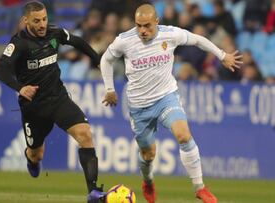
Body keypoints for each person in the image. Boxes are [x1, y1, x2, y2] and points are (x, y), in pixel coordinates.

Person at [100, 4, 242, 203]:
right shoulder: (124, 40)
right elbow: (106, 59)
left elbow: (198, 40)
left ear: (156, 21)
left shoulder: (171, 34)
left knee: (183, 135)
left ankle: (200, 187)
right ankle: (148, 181)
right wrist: (109, 88)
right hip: (139, 106)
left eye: (147, 25)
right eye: (139, 25)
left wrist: (222, 55)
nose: (142, 30)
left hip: (166, 97)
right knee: (148, 154)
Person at [0, 2, 105, 203]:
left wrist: (97, 59)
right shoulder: (18, 44)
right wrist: (21, 88)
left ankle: (93, 192)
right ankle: (32, 159)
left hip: (58, 99)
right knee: (37, 154)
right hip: (34, 108)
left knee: (85, 134)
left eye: (44, 19)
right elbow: (0, 70)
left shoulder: (54, 33)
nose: (42, 24)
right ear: (25, 21)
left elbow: (77, 41)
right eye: (36, 21)